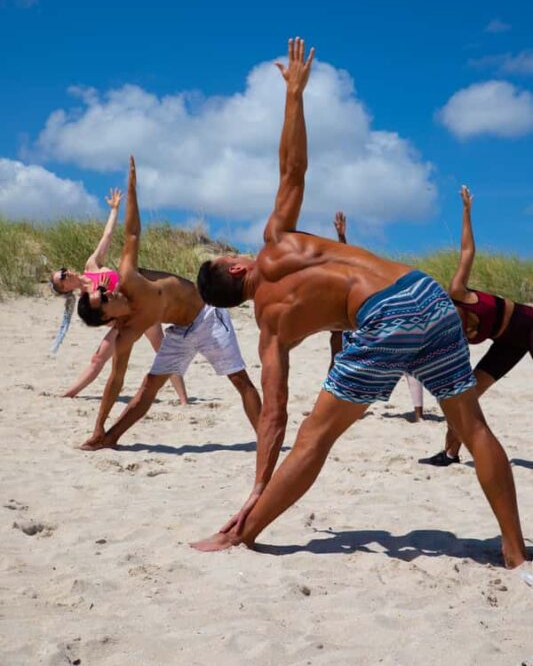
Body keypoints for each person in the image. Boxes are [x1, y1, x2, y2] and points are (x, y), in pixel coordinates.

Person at [192, 37, 529, 577]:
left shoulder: (271, 329)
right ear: (235, 268)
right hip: (425, 292)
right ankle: (514, 552)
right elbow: (293, 169)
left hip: (385, 317)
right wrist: (295, 96)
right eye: (229, 254)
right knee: (472, 426)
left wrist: (258, 484)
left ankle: (243, 531)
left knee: (316, 437)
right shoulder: (277, 240)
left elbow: (273, 416)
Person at [76, 156, 262, 451]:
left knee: (239, 379)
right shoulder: (127, 331)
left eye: (103, 291)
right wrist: (98, 422)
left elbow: (133, 232)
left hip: (207, 316)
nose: (108, 292)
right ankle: (107, 437)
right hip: (181, 333)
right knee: (148, 387)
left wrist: (132, 189)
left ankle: (267, 439)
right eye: (104, 299)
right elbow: (115, 380)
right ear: (105, 317)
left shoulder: (128, 277)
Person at [422, 186, 533, 466]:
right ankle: (450, 453)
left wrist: (466, 212)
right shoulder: (447, 334)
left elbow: (467, 250)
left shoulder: (457, 292)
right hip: (507, 343)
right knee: (466, 397)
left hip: (529, 325)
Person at [50, 188, 188, 404]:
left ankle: (183, 400)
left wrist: (114, 209)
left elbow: (107, 237)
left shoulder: (91, 266)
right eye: (63, 278)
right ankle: (68, 394)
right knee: (98, 359)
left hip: (141, 306)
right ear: (66, 289)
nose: (67, 273)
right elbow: (103, 320)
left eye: (64, 270)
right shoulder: (88, 302)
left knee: (161, 350)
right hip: (123, 321)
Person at [332, 211, 425, 422]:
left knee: (403, 366)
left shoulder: (382, 280)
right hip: (365, 321)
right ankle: (416, 415)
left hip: (378, 321)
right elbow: (347, 261)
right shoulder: (363, 277)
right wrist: (341, 237)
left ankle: (418, 414)